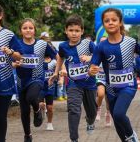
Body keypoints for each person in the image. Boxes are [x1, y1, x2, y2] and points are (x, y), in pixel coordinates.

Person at [89, 8, 140, 142]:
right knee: (116, 119)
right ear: (103, 24)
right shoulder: (101, 46)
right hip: (111, 88)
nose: (110, 23)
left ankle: (132, 136)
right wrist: (91, 71)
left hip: (128, 85)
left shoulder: (130, 42)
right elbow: (92, 66)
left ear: (120, 23)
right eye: (107, 21)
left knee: (119, 114)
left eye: (114, 20)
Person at [49, 14, 97, 142]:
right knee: (73, 110)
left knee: (92, 112)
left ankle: (90, 121)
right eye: (71, 30)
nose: (74, 33)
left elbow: (100, 55)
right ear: (66, 31)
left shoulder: (88, 44)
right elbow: (60, 57)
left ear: (82, 31)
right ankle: (74, 139)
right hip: (73, 83)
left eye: (77, 30)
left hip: (90, 83)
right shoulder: (63, 46)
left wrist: (90, 58)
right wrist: (56, 71)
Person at [13, 18, 57, 142]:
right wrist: (14, 64)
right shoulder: (16, 44)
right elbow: (10, 61)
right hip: (22, 81)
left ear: (35, 30)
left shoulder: (42, 44)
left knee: (31, 98)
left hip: (37, 78)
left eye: (30, 28)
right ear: (21, 31)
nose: (28, 30)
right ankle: (28, 135)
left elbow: (57, 56)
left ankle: (37, 111)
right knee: (25, 111)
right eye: (25, 28)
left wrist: (59, 69)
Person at [0, 3, 23, 142]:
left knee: (0, 116)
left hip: (4, 82)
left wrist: (10, 51)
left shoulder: (7, 35)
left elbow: (20, 55)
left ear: (0, 16)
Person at [95, 36, 112, 127]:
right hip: (100, 78)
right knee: (101, 94)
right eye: (101, 42)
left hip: (110, 79)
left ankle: (108, 114)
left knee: (108, 99)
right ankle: (98, 108)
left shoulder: (112, 52)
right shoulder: (97, 53)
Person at [39, 54, 56, 131]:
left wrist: (60, 78)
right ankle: (43, 109)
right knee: (40, 104)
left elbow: (59, 70)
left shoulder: (54, 62)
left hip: (50, 87)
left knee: (50, 108)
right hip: (40, 87)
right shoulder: (39, 60)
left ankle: (49, 123)